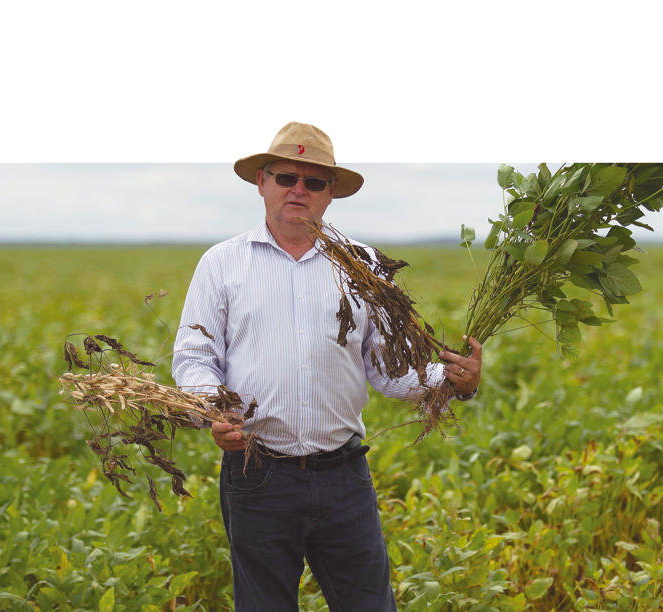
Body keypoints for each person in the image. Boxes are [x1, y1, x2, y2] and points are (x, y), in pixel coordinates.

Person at [172, 121, 483, 612]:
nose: (299, 190)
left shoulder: (363, 268)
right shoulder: (222, 264)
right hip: (256, 474)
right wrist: (214, 408)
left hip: (344, 478)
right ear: (262, 182)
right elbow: (194, 357)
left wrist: (452, 380)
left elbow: (389, 369)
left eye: (314, 182)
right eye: (285, 178)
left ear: (330, 193)